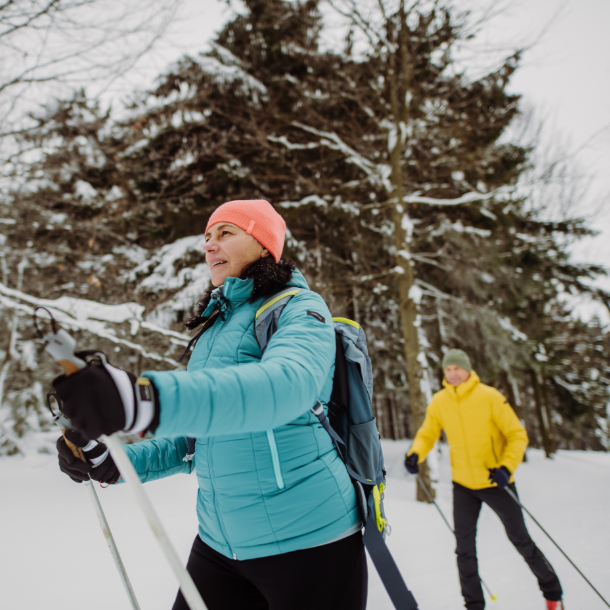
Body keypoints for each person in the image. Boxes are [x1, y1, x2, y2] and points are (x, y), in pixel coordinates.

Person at [55, 199, 366, 610]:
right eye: (206, 237)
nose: (210, 245)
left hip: (310, 542)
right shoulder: (216, 325)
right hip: (221, 545)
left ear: (264, 244)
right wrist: (114, 461)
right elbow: (197, 439)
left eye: (226, 233)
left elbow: (287, 387)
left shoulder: (300, 308)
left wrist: (143, 399)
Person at [404, 349, 563, 610]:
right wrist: (415, 453)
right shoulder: (440, 401)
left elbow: (517, 435)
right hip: (463, 485)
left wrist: (506, 468)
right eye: (448, 369)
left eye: (457, 368)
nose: (452, 373)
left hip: (496, 482)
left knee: (520, 539)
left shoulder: (489, 397)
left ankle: (553, 593)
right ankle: (474, 605)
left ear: (468, 370)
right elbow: (427, 432)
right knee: (464, 550)